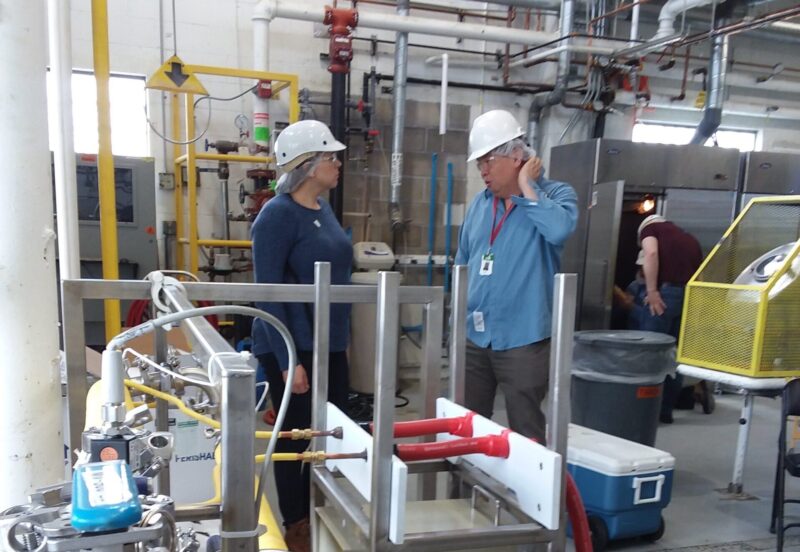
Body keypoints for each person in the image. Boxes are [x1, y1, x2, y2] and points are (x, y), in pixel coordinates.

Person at [251, 120, 352, 552]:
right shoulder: (276, 216)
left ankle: (324, 509)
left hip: (330, 343)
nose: (338, 162)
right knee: (296, 438)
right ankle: (297, 528)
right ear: (308, 165)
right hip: (293, 345)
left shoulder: (323, 210)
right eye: (331, 156)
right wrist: (290, 358)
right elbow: (267, 292)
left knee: (332, 431)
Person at [455, 109, 578, 443]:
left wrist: (526, 187)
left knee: (526, 431)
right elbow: (462, 263)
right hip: (476, 337)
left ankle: (526, 496)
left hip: (524, 340)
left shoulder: (555, 196)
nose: (482, 170)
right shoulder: (480, 206)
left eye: (488, 160)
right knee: (467, 426)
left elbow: (559, 231)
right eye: (479, 162)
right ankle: (466, 493)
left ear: (517, 156)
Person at [636, 214, 708, 423]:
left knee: (649, 352)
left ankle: (644, 410)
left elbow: (650, 253)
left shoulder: (650, 230)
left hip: (665, 295)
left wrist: (651, 291)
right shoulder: (690, 239)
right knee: (674, 356)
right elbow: (700, 274)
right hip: (688, 296)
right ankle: (665, 411)